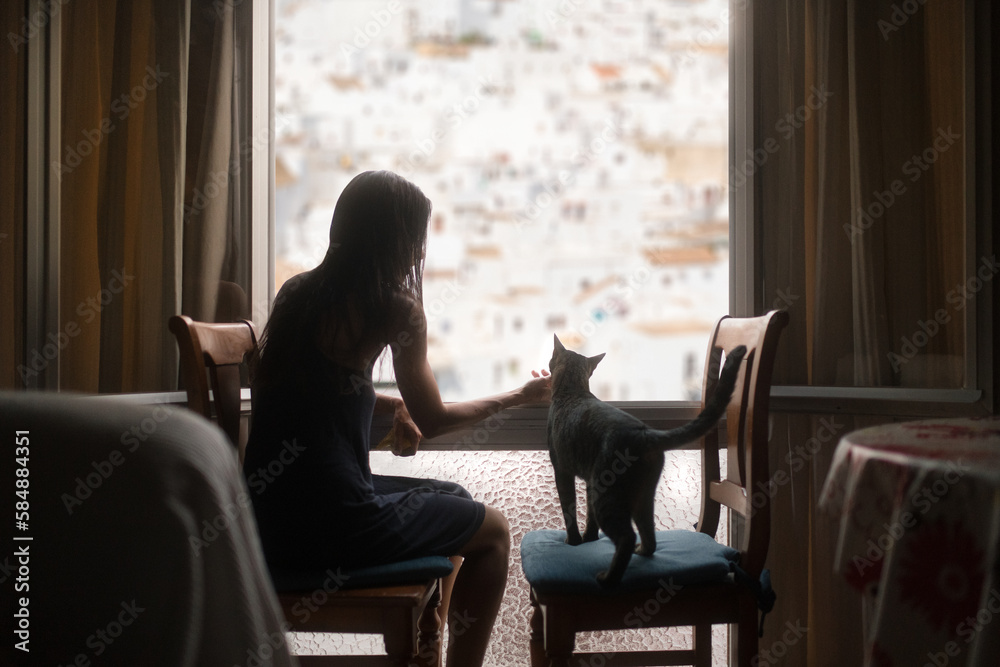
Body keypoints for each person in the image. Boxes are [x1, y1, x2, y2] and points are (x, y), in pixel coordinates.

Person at [243, 170, 551, 666]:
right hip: (332, 525)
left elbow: (319, 391)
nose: (417, 253)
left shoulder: (296, 294)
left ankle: (427, 647)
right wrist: (522, 394)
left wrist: (394, 407)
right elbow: (436, 419)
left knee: (454, 498)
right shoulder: (393, 307)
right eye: (415, 239)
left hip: (267, 519)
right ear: (395, 240)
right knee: (492, 531)